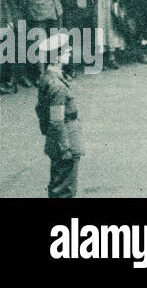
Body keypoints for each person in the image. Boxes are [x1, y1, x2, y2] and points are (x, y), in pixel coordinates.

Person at [34, 33, 82, 198]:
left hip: (57, 140)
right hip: (66, 140)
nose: (69, 52)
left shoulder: (46, 79)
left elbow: (40, 110)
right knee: (65, 188)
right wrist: (64, 147)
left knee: (58, 183)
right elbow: (56, 120)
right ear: (57, 57)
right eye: (65, 51)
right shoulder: (57, 86)